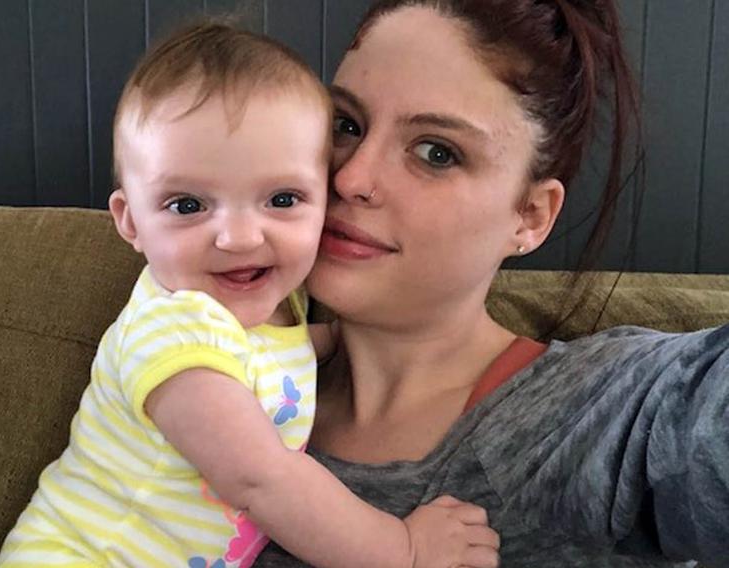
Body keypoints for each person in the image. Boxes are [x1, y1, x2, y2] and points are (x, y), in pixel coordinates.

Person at [0, 22, 501, 568]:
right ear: (131, 221)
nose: (239, 238)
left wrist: (337, 340)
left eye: (282, 199)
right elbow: (262, 481)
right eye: (188, 205)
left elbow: (265, 354)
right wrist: (402, 550)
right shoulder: (171, 332)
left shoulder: (278, 307)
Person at [251, 1, 729, 567]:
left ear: (529, 215)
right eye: (346, 125)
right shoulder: (213, 356)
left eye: (436, 152)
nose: (350, 176)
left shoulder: (602, 412)